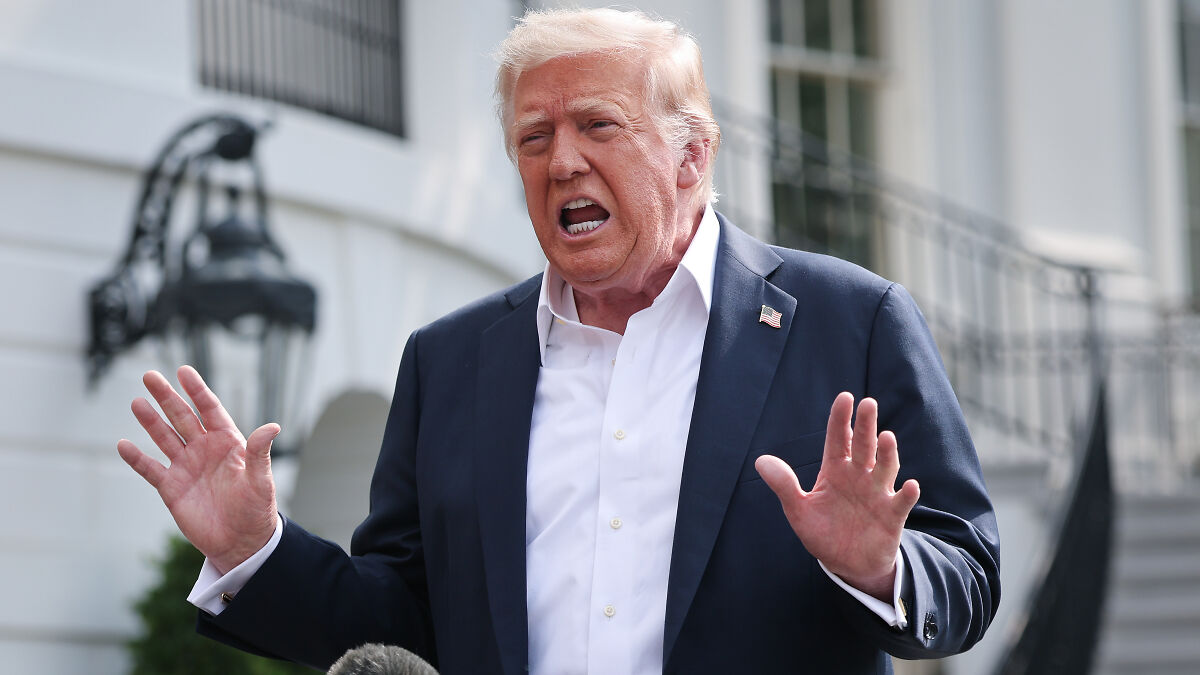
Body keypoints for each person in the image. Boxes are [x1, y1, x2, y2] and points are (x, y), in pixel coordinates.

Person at [117, 8, 999, 674]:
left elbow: (967, 570)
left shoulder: (850, 320)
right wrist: (253, 550)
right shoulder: (452, 361)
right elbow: (402, 620)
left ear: (693, 156)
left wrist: (884, 567)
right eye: (533, 139)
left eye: (597, 126)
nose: (561, 162)